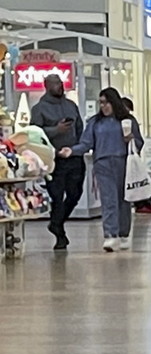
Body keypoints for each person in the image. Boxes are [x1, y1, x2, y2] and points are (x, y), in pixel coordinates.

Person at [59, 88, 144, 252]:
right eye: (101, 103)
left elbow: (139, 143)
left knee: (124, 199)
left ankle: (123, 233)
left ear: (114, 102)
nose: (104, 106)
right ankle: (111, 234)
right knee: (108, 199)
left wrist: (131, 140)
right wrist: (72, 151)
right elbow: (86, 143)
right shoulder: (95, 122)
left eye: (107, 102)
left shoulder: (128, 120)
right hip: (103, 163)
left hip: (124, 162)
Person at [28, 73, 84, 250]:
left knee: (75, 194)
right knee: (57, 197)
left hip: (74, 157)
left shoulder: (71, 105)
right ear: (46, 86)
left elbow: (79, 128)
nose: (59, 86)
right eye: (55, 84)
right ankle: (59, 233)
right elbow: (35, 134)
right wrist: (55, 130)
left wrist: (79, 147)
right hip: (54, 160)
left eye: (60, 83)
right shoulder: (39, 109)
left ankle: (56, 222)